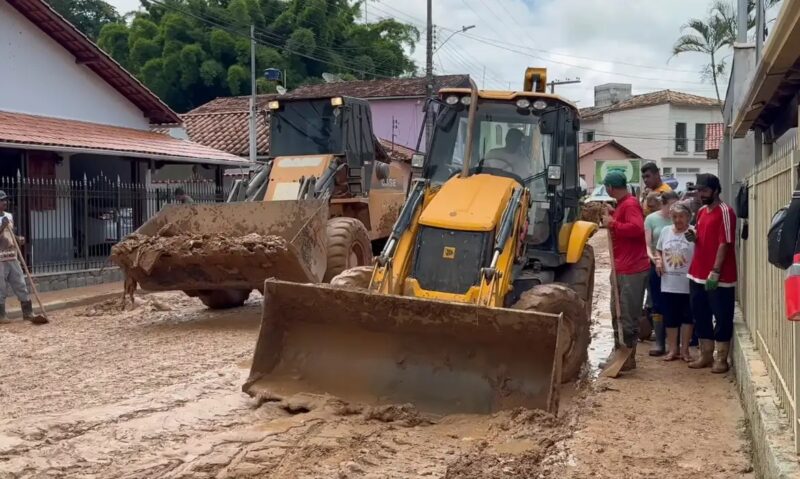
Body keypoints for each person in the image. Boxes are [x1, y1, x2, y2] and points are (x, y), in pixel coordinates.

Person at [685, 173, 736, 373]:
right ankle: (705, 354)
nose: (700, 194)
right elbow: (699, 232)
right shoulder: (701, 212)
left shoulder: (726, 211)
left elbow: (724, 243)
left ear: (715, 190)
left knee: (722, 315)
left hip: (719, 276)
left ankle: (721, 358)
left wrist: (716, 271)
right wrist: (693, 235)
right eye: (698, 190)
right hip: (697, 271)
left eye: (704, 190)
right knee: (700, 314)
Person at [601, 170, 650, 371]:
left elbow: (637, 228)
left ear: (610, 188)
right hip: (622, 267)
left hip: (632, 269)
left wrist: (613, 223)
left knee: (627, 314)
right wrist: (613, 215)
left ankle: (628, 357)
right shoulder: (623, 205)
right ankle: (620, 352)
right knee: (617, 312)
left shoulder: (630, 204)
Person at [657, 202, 696, 361]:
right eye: (674, 216)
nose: (677, 220)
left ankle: (685, 350)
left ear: (688, 217)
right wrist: (658, 261)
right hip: (668, 282)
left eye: (681, 216)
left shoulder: (693, 232)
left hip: (687, 282)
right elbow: (658, 250)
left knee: (687, 317)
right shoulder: (665, 231)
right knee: (670, 317)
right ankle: (673, 350)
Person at [644, 190, 679, 356]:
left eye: (677, 207)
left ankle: (676, 343)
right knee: (657, 303)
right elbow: (648, 246)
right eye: (671, 207)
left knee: (676, 303)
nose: (673, 211)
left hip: (678, 268)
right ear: (663, 204)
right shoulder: (651, 219)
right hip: (657, 267)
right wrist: (656, 260)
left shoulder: (682, 219)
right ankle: (659, 342)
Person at [0, 191, 34, 323]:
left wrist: (17, 239)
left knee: (20, 283)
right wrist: (2, 226)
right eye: (2, 200)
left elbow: (10, 233)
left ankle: (28, 312)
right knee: (1, 287)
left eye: (5, 200)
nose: (5, 202)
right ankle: (1, 315)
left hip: (12, 256)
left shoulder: (9, 216)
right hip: (0, 259)